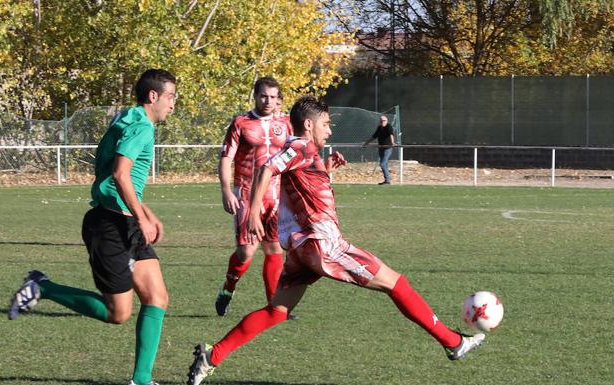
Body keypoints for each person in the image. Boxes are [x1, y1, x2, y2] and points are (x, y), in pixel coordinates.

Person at [187, 96, 485, 385]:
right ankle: (453, 342)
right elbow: (267, 168)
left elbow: (302, 187)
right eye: (326, 124)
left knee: (276, 311)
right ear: (308, 125)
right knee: (397, 284)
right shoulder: (301, 145)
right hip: (323, 243)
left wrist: (324, 170)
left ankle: (211, 356)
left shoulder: (304, 152)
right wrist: (252, 212)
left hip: (302, 247)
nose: (329, 130)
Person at [8, 69, 176, 385]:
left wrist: (145, 213)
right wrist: (141, 217)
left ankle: (142, 379)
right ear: (152, 96)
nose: (173, 104)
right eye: (170, 97)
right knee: (118, 313)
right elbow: (120, 175)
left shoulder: (128, 119)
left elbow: (118, 180)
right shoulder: (141, 127)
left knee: (157, 297)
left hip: (124, 219)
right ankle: (43, 286)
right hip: (111, 226)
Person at [215, 76, 294, 318]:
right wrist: (226, 190)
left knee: (273, 249)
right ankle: (228, 288)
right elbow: (226, 157)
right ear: (255, 96)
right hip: (247, 193)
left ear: (278, 99)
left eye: (272, 97)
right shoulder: (241, 123)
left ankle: (275, 306)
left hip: (276, 194)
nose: (268, 101)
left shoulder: (287, 123)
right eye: (263, 96)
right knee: (246, 253)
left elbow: (295, 156)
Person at [363, 115, 395, 185]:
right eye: (381, 121)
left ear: (387, 121)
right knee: (384, 164)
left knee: (382, 164)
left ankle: (387, 180)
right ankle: (387, 181)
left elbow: (391, 134)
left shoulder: (388, 126)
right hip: (381, 148)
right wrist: (366, 143)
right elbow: (374, 136)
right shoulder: (379, 128)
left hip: (387, 148)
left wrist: (392, 143)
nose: (382, 122)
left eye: (383, 121)